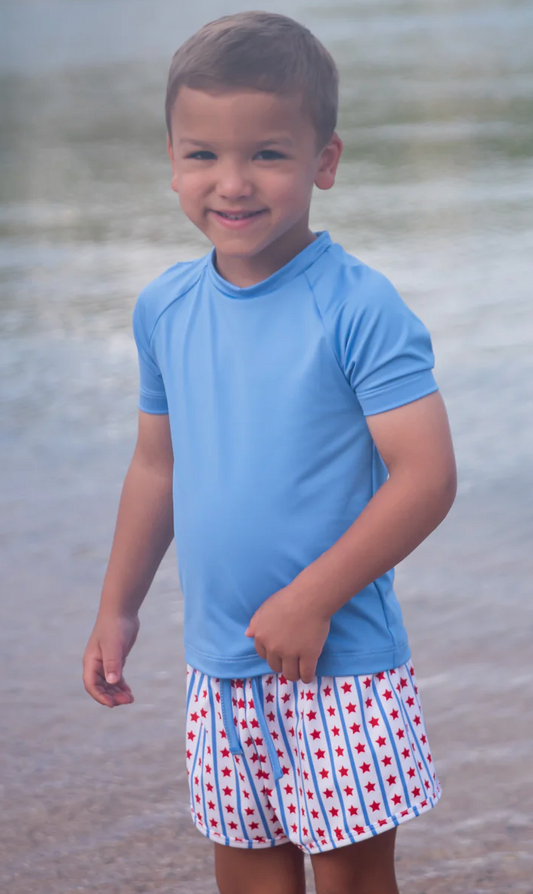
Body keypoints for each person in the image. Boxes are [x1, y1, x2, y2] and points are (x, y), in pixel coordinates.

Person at [83, 11, 457, 894]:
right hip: (219, 660)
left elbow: (427, 476)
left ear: (324, 162)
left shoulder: (358, 306)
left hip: (341, 660)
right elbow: (156, 469)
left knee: (352, 875)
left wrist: (312, 596)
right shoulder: (164, 308)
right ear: (171, 162)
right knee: (246, 865)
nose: (233, 182)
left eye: (269, 154)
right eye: (202, 153)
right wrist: (118, 606)